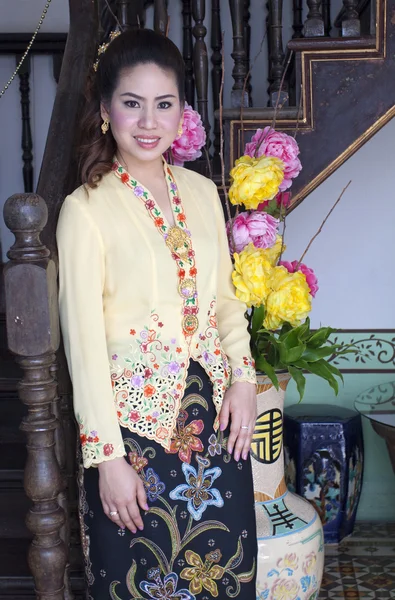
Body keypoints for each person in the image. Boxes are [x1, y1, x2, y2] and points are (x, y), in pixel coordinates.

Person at [56, 28, 258, 600]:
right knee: (137, 582)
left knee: (224, 575)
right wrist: (107, 460)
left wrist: (244, 379)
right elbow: (84, 343)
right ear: (105, 110)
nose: (148, 122)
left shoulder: (199, 191)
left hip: (214, 423)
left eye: (163, 104)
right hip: (133, 435)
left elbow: (223, 297)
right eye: (132, 103)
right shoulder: (84, 209)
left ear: (180, 113)